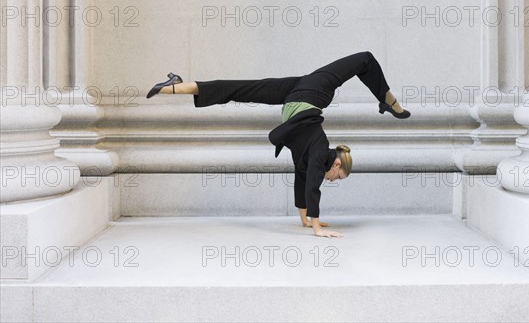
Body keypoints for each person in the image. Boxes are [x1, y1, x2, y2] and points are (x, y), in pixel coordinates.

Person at [146, 51, 410, 237]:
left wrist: (304, 220)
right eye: (336, 176)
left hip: (298, 92)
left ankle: (176, 87)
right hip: (310, 93)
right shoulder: (319, 150)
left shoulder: (310, 151)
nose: (332, 179)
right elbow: (313, 187)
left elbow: (303, 179)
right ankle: (389, 101)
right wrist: (317, 228)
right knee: (365, 58)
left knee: (242, 89)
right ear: (337, 162)